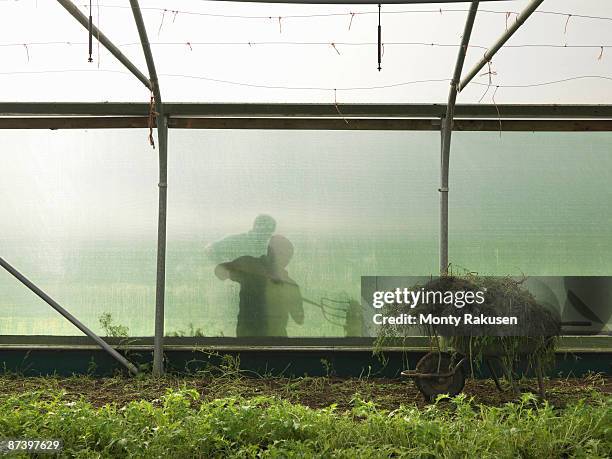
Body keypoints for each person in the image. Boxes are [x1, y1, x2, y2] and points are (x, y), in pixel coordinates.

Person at [215, 235, 304, 337]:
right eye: (281, 254)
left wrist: (292, 297)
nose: (284, 260)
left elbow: (299, 318)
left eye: (287, 257)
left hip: (277, 343)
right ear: (269, 251)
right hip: (248, 341)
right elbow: (219, 271)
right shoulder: (248, 264)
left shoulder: (289, 285)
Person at [204, 215, 276, 264]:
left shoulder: (268, 248)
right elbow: (209, 248)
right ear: (255, 227)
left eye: (270, 230)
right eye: (264, 230)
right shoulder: (237, 240)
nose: (268, 234)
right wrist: (224, 266)